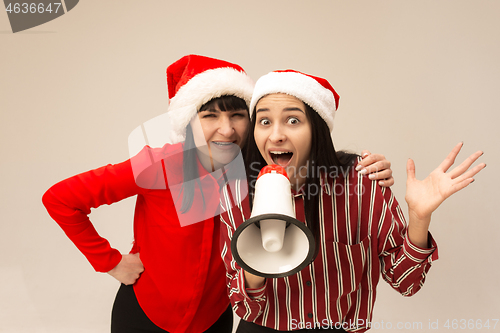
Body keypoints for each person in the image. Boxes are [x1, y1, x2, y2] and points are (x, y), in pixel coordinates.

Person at [42, 56, 395, 333]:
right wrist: (111, 261)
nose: (226, 129)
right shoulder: (160, 165)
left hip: (215, 318)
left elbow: (313, 168)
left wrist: (365, 167)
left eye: (239, 116)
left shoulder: (262, 170)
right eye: (210, 116)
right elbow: (60, 199)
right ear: (188, 122)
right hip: (145, 314)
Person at [218, 69, 486, 332]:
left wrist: (419, 218)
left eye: (293, 120)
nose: (276, 135)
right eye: (264, 122)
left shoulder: (362, 183)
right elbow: (246, 308)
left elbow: (406, 283)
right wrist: (259, 252)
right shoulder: (235, 193)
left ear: (317, 129)